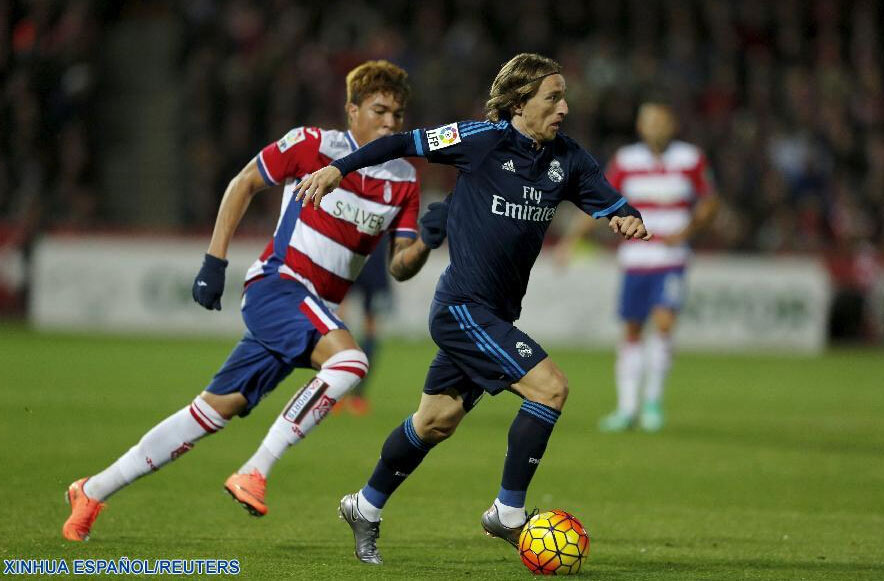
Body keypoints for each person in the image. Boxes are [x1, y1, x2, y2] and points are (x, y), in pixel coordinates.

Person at [62, 60, 450, 541]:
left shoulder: (403, 180)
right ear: (352, 110)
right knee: (350, 363)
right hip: (279, 286)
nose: (391, 123)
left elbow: (399, 266)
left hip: (314, 311)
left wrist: (428, 242)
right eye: (379, 110)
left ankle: (92, 490)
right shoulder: (314, 145)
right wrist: (214, 260)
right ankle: (256, 470)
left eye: (398, 114)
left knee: (210, 411)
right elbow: (244, 181)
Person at [294, 53, 652, 565]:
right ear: (519, 102)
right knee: (551, 388)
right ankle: (507, 513)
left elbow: (610, 201)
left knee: (435, 420)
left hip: (496, 316)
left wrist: (628, 218)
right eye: (553, 97)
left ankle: (364, 506)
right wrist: (337, 169)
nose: (564, 107)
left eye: (563, 97)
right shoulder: (480, 139)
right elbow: (402, 142)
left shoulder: (567, 159)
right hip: (462, 308)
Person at [557, 99, 719, 433]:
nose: (654, 127)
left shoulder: (690, 158)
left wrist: (687, 231)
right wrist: (571, 241)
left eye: (660, 121)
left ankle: (653, 403)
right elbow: (599, 199)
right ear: (640, 127)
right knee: (631, 330)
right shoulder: (626, 160)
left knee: (663, 323)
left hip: (671, 260)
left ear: (672, 125)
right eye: (648, 121)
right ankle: (627, 408)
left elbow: (710, 202)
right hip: (635, 260)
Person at [334, 235, 393, 415]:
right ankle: (355, 395)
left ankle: (341, 393)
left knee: (340, 324)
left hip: (351, 251)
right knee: (368, 328)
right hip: (370, 254)